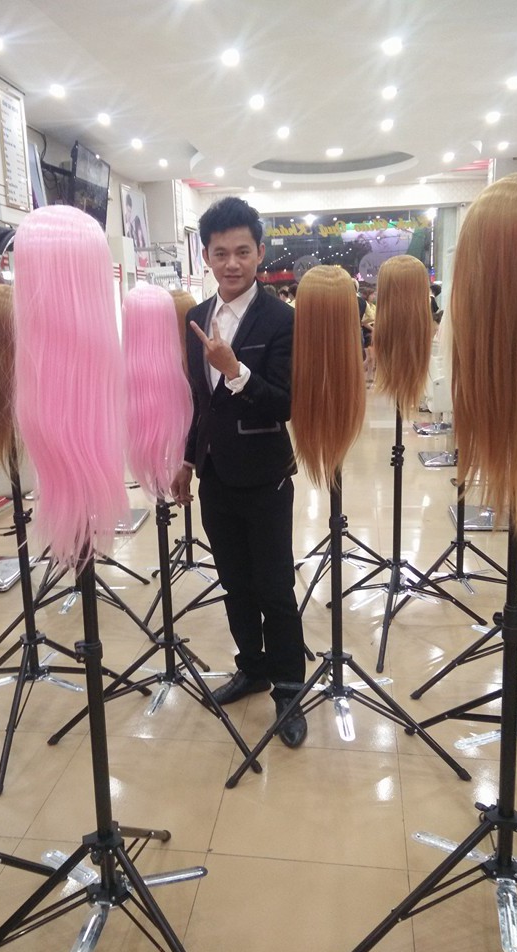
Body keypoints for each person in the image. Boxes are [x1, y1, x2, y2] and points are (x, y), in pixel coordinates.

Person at [170, 196, 307, 748]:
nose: (232, 263)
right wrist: (187, 459)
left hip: (265, 475)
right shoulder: (197, 318)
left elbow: (285, 404)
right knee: (234, 582)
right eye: (221, 252)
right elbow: (198, 403)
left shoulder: (282, 319)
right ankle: (252, 667)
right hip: (215, 476)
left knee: (275, 586)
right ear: (206, 255)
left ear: (260, 253)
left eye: (242, 252)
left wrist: (237, 371)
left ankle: (290, 689)